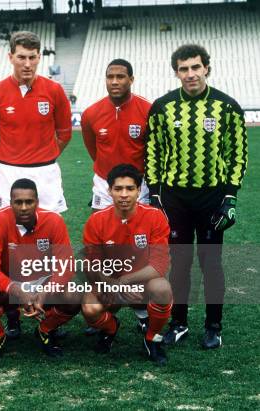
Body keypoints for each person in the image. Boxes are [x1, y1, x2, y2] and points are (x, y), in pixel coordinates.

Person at [145, 44, 248, 349]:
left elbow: (237, 155)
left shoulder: (226, 106)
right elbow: (153, 153)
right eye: (183, 68)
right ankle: (179, 322)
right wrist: (155, 195)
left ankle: (214, 325)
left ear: (207, 68)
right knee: (179, 262)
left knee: (211, 262)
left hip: (212, 198)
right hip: (175, 199)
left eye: (195, 67)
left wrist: (230, 198)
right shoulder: (163, 107)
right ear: (176, 72)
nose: (190, 74)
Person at [0, 178, 81, 360]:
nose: (24, 207)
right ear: (10, 204)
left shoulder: (54, 221)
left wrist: (46, 292)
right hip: (10, 282)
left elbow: (66, 265)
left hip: (42, 281)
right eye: (18, 202)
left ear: (37, 203)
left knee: (73, 295)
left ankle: (45, 329)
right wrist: (16, 289)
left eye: (29, 202)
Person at [81, 164, 172, 365]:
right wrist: (112, 284)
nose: (124, 194)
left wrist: (125, 281)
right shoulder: (96, 221)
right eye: (118, 189)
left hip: (141, 283)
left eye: (130, 189)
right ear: (109, 190)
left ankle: (151, 338)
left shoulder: (155, 217)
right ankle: (110, 328)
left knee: (162, 289)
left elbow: (159, 265)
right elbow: (91, 265)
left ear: (139, 191)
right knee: (89, 307)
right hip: (109, 283)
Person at [0, 31, 72, 213]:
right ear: (11, 57)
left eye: (32, 57)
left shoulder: (54, 90)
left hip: (46, 170)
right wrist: (5, 157)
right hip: (9, 171)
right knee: (10, 227)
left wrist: (48, 155)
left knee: (50, 225)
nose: (27, 64)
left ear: (39, 57)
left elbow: (64, 133)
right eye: (21, 57)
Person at [81, 59, 151, 211]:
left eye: (120, 77)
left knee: (138, 229)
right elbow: (93, 150)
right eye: (110, 77)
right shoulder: (90, 113)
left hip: (137, 181)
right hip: (104, 181)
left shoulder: (148, 110)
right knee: (101, 228)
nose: (114, 82)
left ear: (131, 80)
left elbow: (152, 150)